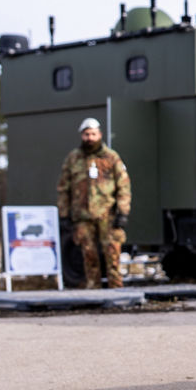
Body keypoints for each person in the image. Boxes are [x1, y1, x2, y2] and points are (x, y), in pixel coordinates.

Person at [57, 117, 131, 288]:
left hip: (108, 215)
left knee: (112, 253)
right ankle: (93, 291)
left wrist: (123, 211)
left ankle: (116, 291)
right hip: (82, 216)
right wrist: (64, 214)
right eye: (86, 134)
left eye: (93, 134)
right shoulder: (73, 159)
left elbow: (124, 186)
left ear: (100, 135)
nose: (89, 137)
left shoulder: (111, 158)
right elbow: (63, 188)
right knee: (89, 255)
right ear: (81, 135)